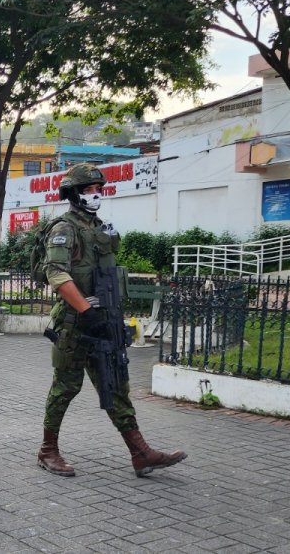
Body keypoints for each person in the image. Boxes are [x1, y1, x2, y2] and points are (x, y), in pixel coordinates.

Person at [36, 163, 186, 478]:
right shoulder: (64, 229)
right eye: (88, 190)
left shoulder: (101, 228)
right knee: (65, 387)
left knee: (115, 384)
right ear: (73, 194)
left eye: (98, 189)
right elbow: (56, 273)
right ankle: (48, 450)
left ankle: (140, 453)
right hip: (74, 323)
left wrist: (108, 316)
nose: (95, 195)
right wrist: (86, 311)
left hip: (104, 320)